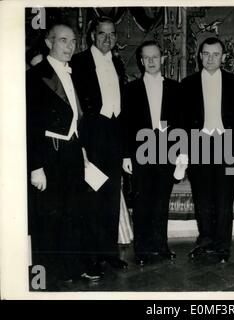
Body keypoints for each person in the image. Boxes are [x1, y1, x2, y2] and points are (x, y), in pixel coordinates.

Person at [27, 23, 99, 284]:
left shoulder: (74, 73)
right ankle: (50, 272)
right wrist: (35, 167)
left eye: (73, 41)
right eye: (63, 40)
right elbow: (30, 125)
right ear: (49, 43)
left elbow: (77, 117)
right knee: (49, 215)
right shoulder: (35, 76)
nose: (70, 46)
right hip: (49, 154)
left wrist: (81, 151)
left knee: (74, 212)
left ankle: (72, 267)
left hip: (71, 151)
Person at [71, 16, 128, 272]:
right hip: (91, 134)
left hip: (114, 133)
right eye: (103, 34)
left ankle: (109, 252)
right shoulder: (80, 61)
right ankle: (90, 258)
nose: (108, 38)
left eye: (112, 34)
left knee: (111, 194)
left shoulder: (116, 62)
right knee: (90, 196)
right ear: (93, 35)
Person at [181, 37, 234, 263]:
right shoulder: (188, 84)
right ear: (200, 56)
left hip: (227, 144)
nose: (210, 59)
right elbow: (183, 120)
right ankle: (205, 241)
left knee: (224, 198)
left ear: (223, 57)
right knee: (202, 197)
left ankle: (222, 245)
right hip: (199, 143)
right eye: (206, 54)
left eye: (216, 54)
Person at [123, 40, 181, 265]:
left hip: (167, 152)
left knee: (161, 200)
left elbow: (180, 123)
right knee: (141, 201)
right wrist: (126, 155)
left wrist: (180, 154)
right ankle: (142, 249)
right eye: (146, 58)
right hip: (140, 152)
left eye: (155, 57)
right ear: (140, 61)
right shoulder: (130, 90)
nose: (151, 61)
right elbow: (125, 125)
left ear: (162, 59)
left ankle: (161, 245)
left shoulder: (175, 88)